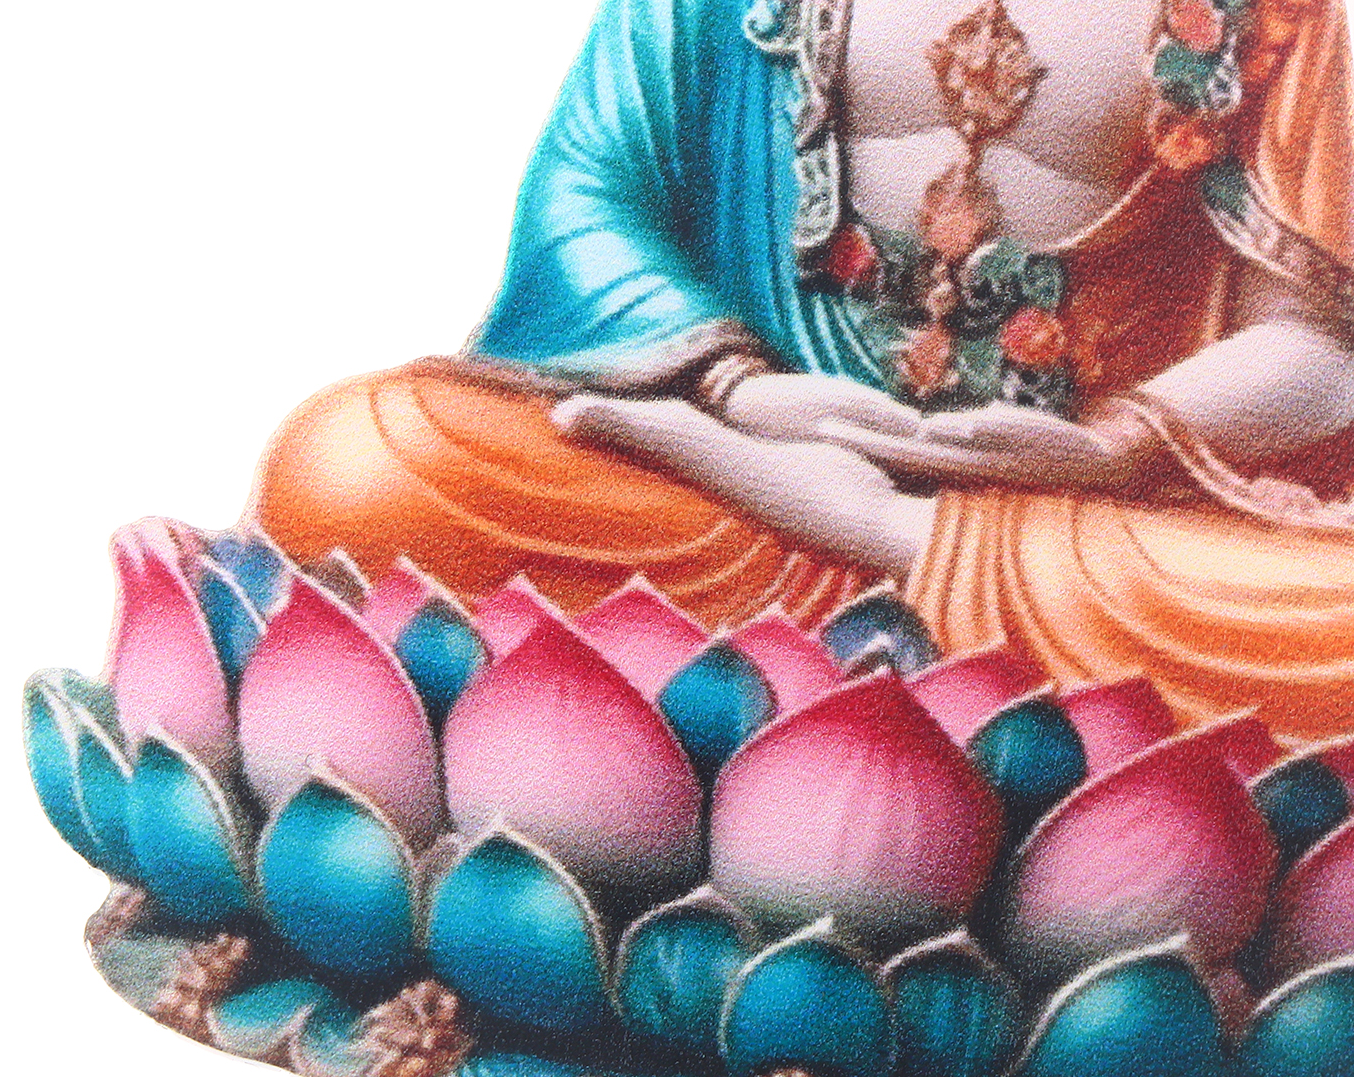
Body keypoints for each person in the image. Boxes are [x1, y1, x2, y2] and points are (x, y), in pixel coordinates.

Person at [245, 0, 1354, 744]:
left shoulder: (1269, 14)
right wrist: (734, 388)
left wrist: (1110, 448)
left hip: (1080, 522)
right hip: (732, 477)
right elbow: (590, 191)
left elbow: (1320, 341)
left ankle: (892, 554)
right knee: (357, 462)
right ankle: (906, 628)